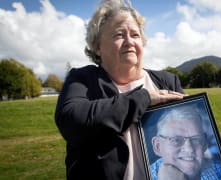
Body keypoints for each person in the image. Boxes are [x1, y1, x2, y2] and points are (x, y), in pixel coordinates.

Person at [54, 0, 184, 179]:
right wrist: (142, 98)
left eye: (135, 35)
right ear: (97, 46)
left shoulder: (167, 81)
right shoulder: (83, 79)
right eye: (119, 35)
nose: (129, 42)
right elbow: (72, 122)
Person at [150, 106, 221, 180]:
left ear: (204, 144)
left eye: (196, 139)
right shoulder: (142, 175)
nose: (189, 149)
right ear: (158, 146)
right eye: (176, 140)